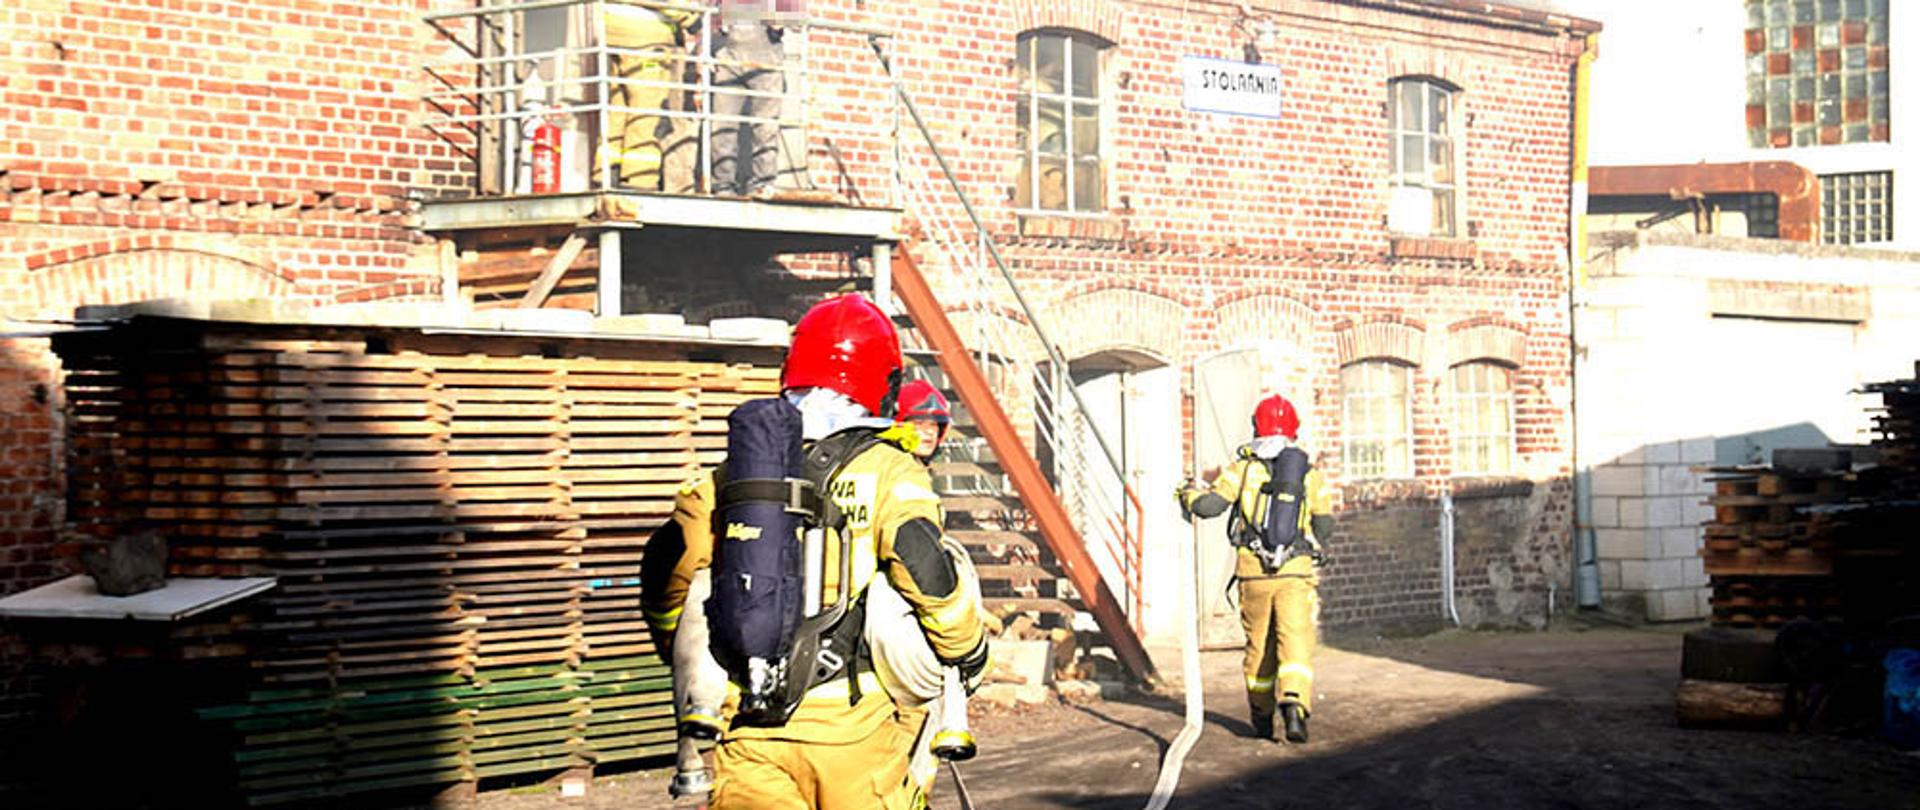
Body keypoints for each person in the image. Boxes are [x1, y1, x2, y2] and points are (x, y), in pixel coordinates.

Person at [641, 294, 988, 808]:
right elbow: (925, 567)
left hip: (751, 724)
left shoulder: (734, 475)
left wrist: (679, 643)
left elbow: (669, 562)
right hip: (857, 726)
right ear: (884, 383)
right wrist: (966, 653)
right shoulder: (892, 471)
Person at [1178, 393, 1332, 744]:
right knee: (1295, 639)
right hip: (1295, 571)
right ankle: (1294, 705)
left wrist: (1186, 494)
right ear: (1294, 428)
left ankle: (1261, 715)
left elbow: (1210, 506)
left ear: (1255, 427)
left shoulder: (1242, 469)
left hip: (1253, 573)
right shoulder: (1309, 474)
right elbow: (1325, 528)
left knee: (1259, 645)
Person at [602, 2, 697, 190]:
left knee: (616, 110)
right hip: (646, 37)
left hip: (610, 34)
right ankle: (639, 180)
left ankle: (606, 172)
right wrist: (692, 18)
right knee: (646, 112)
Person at [710, 9, 785, 196]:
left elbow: (795, 20)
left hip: (766, 59)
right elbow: (707, 14)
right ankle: (723, 184)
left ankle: (762, 183)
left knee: (765, 125)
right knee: (723, 124)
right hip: (727, 56)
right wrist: (705, 51)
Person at [895, 379, 952, 465]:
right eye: (919, 423)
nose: (930, 431)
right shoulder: (881, 469)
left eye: (933, 424)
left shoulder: (915, 470)